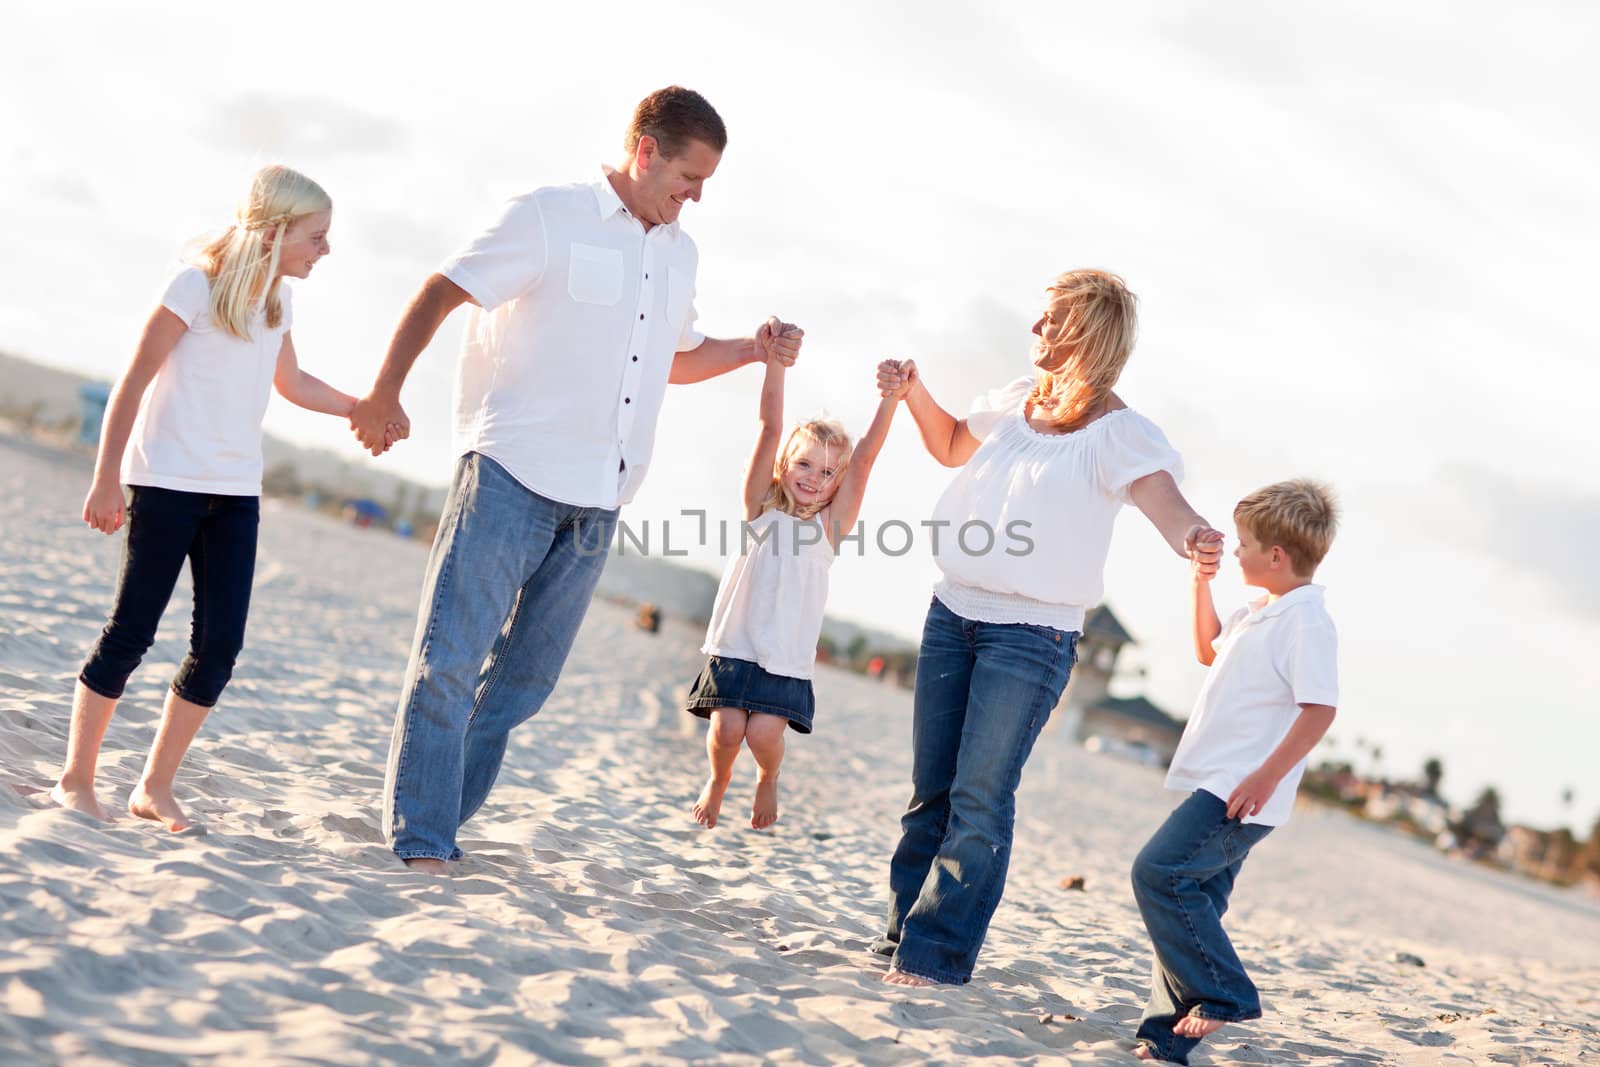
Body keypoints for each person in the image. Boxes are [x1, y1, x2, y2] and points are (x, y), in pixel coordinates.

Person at [349, 86, 803, 873]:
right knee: (451, 660)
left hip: (600, 499)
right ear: (646, 151)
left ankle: (438, 819)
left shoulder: (678, 252)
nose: (695, 197)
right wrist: (385, 390)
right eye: (689, 177)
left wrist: (751, 349)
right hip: (508, 474)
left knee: (522, 683)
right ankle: (421, 838)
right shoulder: (548, 215)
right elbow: (441, 289)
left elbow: (673, 357)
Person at [871, 269, 1223, 986]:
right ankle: (901, 932)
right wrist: (912, 392)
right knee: (929, 791)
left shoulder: (1121, 433)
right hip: (951, 614)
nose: (1035, 331)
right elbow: (945, 445)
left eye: (1052, 320)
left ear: (1089, 335)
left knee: (978, 798)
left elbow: (1170, 508)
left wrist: (1198, 540)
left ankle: (935, 956)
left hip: (1029, 637)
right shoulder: (1011, 402)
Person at [51, 165, 370, 831]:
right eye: (318, 236)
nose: (325, 249)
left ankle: (152, 786)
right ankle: (76, 778)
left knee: (219, 645)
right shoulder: (193, 283)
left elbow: (293, 384)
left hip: (234, 494)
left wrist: (360, 409)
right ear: (278, 230)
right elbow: (134, 379)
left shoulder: (276, 302)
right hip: (165, 482)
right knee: (130, 632)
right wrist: (106, 476)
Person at [1131, 479, 1340, 1064]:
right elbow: (1206, 650)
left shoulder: (1306, 621)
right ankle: (1165, 1038)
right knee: (1194, 914)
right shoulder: (1259, 612)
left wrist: (1265, 777)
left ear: (1277, 555)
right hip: (1220, 781)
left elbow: (1320, 708)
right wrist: (1201, 583)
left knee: (1158, 874)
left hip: (1240, 791)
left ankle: (1226, 994)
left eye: (1246, 544)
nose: (1237, 552)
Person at [687, 349, 898, 830]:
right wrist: (775, 364)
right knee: (726, 730)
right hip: (736, 644)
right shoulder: (759, 509)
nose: (813, 479)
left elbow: (863, 461)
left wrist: (889, 400)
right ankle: (718, 781)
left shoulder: (829, 529)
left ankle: (767, 776)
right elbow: (769, 428)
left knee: (762, 735)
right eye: (804, 465)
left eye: (827, 473)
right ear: (784, 465)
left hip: (784, 656)